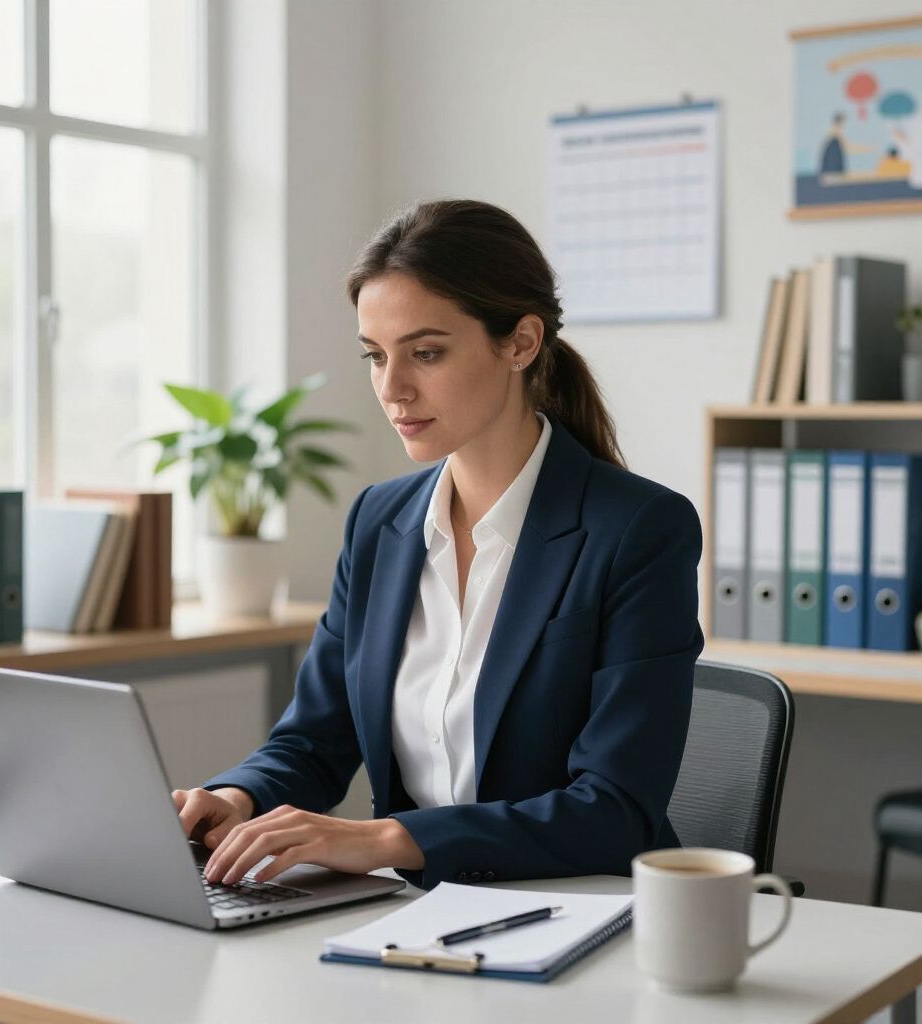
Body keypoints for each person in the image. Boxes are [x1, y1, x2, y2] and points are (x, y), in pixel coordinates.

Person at [173, 199, 704, 891]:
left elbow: (614, 809)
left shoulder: (638, 530)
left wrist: (386, 839)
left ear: (520, 343)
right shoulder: (379, 521)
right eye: (374, 356)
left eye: (426, 353)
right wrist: (236, 799)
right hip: (414, 916)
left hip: (578, 909)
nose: (392, 389)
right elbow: (314, 739)